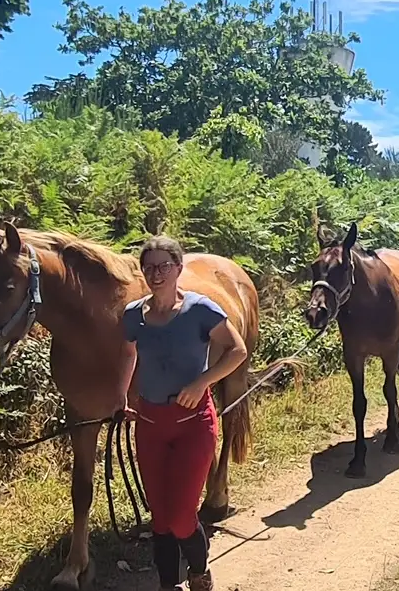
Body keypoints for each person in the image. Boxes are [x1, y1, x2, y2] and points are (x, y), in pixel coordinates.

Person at [122, 235, 248, 591]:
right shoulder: (134, 314)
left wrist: (201, 384)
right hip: (149, 424)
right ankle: (168, 584)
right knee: (159, 518)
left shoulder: (200, 309)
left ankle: (198, 568)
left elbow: (236, 350)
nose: (156, 273)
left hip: (193, 424)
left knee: (179, 515)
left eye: (164, 266)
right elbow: (128, 355)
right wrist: (123, 395)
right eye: (149, 267)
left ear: (179, 268)